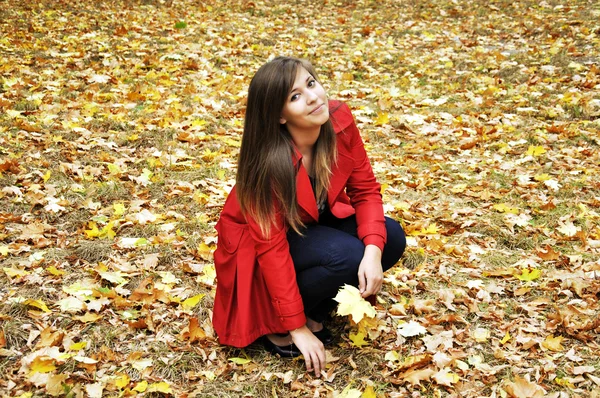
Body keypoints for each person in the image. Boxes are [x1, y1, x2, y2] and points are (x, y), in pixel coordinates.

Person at [212, 56, 406, 377]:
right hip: (257, 252)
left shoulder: (339, 121)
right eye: (295, 96)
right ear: (279, 115)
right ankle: (279, 326)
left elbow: (366, 190)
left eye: (311, 84)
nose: (313, 97)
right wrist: (296, 327)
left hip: (310, 223)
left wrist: (374, 252)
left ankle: (316, 309)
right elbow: (271, 251)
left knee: (390, 238)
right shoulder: (268, 167)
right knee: (346, 256)